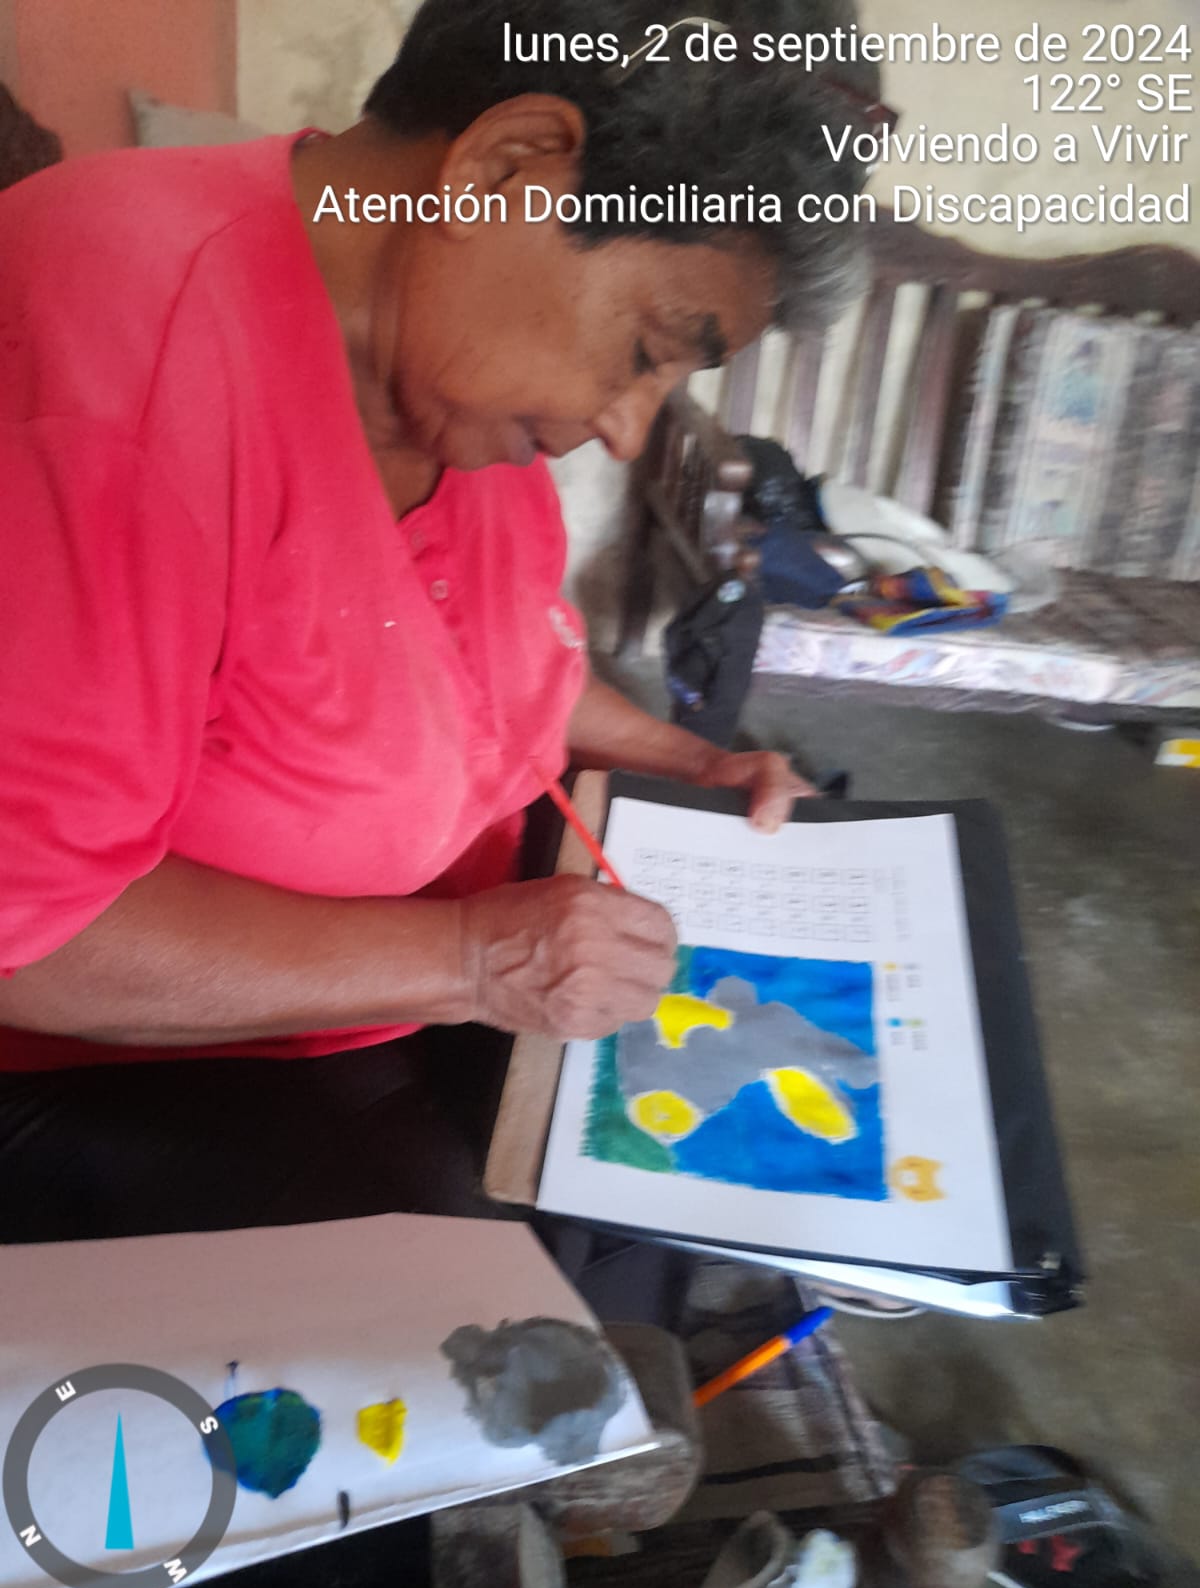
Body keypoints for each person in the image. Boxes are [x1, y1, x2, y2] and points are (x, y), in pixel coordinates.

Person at [0, 0, 880, 1249]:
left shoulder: (442, 365)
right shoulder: (117, 374)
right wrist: (475, 960)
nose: (626, 428)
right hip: (147, 1070)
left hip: (413, 988)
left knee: (681, 1221)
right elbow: (29, 934)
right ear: (508, 164)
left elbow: (484, 650)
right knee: (513, 1321)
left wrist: (684, 758)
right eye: (644, 350)